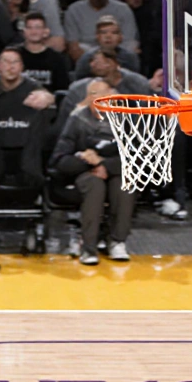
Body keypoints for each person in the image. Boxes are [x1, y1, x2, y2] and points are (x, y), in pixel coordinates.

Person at [51, 77, 133, 265]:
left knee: (124, 183)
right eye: (92, 94)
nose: (96, 98)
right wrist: (86, 161)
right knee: (94, 185)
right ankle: (89, 247)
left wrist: (104, 163)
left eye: (101, 93)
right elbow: (59, 159)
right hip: (83, 172)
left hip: (115, 171)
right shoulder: (77, 120)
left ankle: (117, 241)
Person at [0, 45, 55, 201]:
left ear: (22, 67)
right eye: (6, 62)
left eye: (15, 62)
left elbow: (50, 105)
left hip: (26, 152)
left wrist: (49, 99)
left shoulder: (35, 89)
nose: (10, 67)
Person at [63, 0, 140, 62]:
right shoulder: (74, 10)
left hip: (118, 56)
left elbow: (129, 41)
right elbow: (73, 46)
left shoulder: (123, 9)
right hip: (87, 57)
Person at [73, 15, 143, 78]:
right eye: (103, 32)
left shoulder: (130, 58)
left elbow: (135, 81)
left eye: (114, 33)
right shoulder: (86, 58)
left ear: (120, 37)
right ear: (97, 36)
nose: (108, 36)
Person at [18, 11, 71, 93]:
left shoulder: (56, 59)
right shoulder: (14, 54)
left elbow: (62, 90)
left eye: (38, 28)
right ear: (24, 31)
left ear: (46, 32)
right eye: (29, 27)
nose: (34, 31)